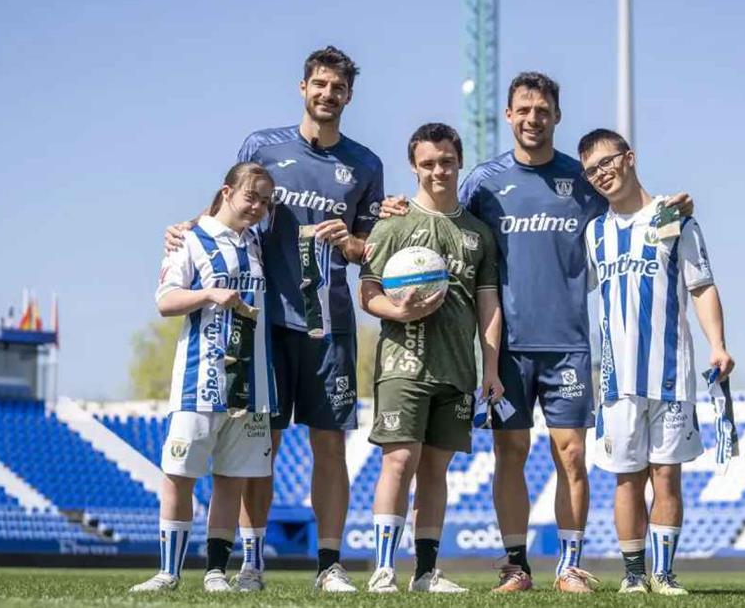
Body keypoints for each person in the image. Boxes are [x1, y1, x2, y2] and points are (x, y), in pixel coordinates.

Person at [384, 72, 693, 593]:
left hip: (569, 343)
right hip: (506, 347)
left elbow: (631, 208)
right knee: (511, 454)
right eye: (523, 110)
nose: (533, 118)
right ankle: (516, 566)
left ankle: (570, 564)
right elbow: (441, 209)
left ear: (556, 116)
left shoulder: (582, 182)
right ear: (509, 116)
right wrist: (394, 206)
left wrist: (671, 209)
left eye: (543, 110)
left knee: (571, 453)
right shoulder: (484, 182)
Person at [165, 47, 383, 592]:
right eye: (320, 84)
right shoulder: (263, 145)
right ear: (302, 87)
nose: (327, 94)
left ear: (349, 96)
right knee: (261, 442)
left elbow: (373, 250)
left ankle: (329, 566)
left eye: (337, 87)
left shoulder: (366, 165)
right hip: (260, 323)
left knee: (329, 445)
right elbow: (232, 207)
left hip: (328, 326)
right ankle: (251, 564)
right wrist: (188, 228)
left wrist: (352, 242)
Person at [578, 129, 734, 595]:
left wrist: (718, 344)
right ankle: (632, 576)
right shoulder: (594, 232)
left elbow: (701, 285)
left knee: (667, 476)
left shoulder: (673, 219)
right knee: (626, 479)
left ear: (629, 158)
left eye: (606, 162)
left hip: (670, 374)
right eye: (590, 171)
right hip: (616, 380)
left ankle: (663, 574)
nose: (601, 174)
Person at [357, 123, 504, 593]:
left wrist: (491, 367)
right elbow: (368, 292)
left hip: (457, 368)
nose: (438, 170)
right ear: (414, 167)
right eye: (427, 163)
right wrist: (395, 308)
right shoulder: (394, 223)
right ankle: (383, 568)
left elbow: (489, 304)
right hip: (404, 363)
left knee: (436, 470)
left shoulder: (477, 233)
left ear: (458, 161)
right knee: (399, 460)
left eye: (446, 161)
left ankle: (425, 572)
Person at [131, 162, 278, 593]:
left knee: (232, 479)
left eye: (266, 201)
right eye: (251, 196)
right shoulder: (190, 240)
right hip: (201, 379)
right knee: (179, 474)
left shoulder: (257, 242)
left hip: (252, 386)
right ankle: (168, 572)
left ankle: (216, 571)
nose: (258, 207)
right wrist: (209, 293)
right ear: (227, 191)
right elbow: (165, 300)